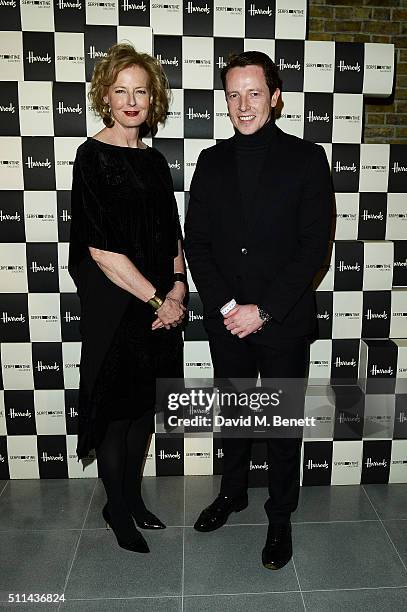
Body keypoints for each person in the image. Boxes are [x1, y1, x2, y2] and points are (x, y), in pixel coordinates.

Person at [184, 51, 333, 570]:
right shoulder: (211, 161)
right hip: (227, 321)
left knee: (281, 425)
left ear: (275, 96)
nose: (242, 105)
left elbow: (314, 246)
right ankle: (233, 493)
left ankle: (280, 515)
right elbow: (197, 244)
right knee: (235, 417)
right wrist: (229, 307)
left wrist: (263, 311)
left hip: (283, 321)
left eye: (253, 93)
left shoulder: (308, 159)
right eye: (233, 94)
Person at [68, 43, 186, 553]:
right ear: (106, 97)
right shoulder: (91, 156)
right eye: (121, 91)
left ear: (151, 98)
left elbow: (171, 237)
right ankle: (116, 509)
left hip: (159, 305)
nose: (131, 100)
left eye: (141, 90)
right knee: (116, 412)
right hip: (116, 307)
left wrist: (179, 287)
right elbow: (101, 251)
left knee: (142, 409)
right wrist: (159, 299)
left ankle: (131, 499)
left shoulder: (156, 162)